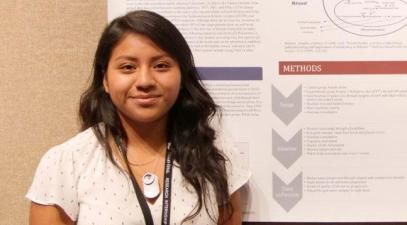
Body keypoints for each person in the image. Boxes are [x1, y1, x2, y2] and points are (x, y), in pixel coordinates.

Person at [26, 10, 250, 225]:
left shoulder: (216, 156)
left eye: (161, 66)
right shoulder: (66, 163)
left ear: (182, 76)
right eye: (128, 67)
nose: (145, 81)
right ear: (105, 79)